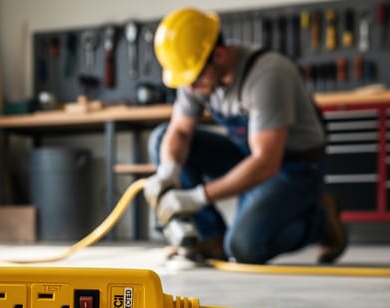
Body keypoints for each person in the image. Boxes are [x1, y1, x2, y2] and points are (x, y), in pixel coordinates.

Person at [144, 7, 347, 264]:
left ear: (218, 54)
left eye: (194, 79)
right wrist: (169, 171)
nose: (190, 88)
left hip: (295, 165)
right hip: (249, 153)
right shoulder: (196, 74)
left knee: (244, 248)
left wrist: (197, 197)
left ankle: (320, 220)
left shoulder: (268, 74)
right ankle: (211, 238)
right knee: (163, 139)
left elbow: (266, 162)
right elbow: (180, 131)